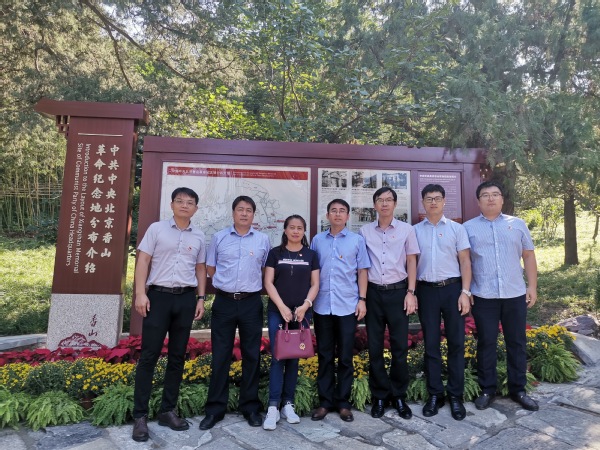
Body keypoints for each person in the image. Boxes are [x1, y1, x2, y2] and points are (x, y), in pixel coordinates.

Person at [132, 187, 207, 442]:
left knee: (177, 356)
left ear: (196, 208)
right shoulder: (156, 229)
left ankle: (167, 410)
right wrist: (140, 294)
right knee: (149, 356)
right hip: (158, 297)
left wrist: (200, 298)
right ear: (172, 204)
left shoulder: (199, 235)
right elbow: (143, 261)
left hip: (185, 299)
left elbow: (199, 268)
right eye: (180, 201)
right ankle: (140, 416)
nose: (184, 205)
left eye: (190, 202)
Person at [463, 180, 539, 411]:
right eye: (485, 195)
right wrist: (466, 290)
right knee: (486, 342)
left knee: (516, 342)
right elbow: (464, 262)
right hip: (483, 295)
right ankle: (487, 390)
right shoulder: (468, 228)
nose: (491, 198)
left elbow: (528, 256)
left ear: (502, 199)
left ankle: (519, 390)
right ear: (478, 201)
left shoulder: (518, 224)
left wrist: (532, 286)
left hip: (514, 293)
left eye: (495, 194)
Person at [199, 196, 271, 430]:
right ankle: (215, 409)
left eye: (249, 210)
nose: (244, 213)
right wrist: (226, 283)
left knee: (252, 355)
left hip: (251, 302)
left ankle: (250, 407)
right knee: (220, 355)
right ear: (233, 213)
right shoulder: (219, 237)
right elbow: (211, 267)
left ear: (253, 215)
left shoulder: (262, 240)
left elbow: (264, 269)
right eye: (240, 209)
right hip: (224, 302)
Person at [359, 187, 419, 420]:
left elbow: (411, 261)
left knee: (399, 347)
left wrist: (411, 292)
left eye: (388, 200)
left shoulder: (407, 230)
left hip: (398, 293)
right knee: (374, 347)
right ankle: (380, 396)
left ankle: (399, 395)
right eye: (380, 200)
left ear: (395, 204)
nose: (384, 204)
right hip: (374, 294)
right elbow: (363, 267)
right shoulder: (364, 231)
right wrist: (362, 298)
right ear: (374, 205)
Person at [414, 184, 472, 421]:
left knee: (456, 343)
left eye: (437, 198)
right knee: (431, 344)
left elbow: (465, 262)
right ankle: (435, 394)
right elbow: (411, 263)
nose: (433, 202)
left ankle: (456, 396)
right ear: (423, 203)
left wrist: (465, 292)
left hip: (452, 290)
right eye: (429, 199)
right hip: (426, 291)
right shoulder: (415, 231)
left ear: (444, 201)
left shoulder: (457, 229)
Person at [310, 199, 370, 422]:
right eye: (333, 210)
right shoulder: (317, 240)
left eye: (342, 211)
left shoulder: (356, 240)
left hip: (347, 305)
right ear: (327, 216)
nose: (337, 214)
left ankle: (343, 403)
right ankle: (325, 402)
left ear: (347, 216)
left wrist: (362, 299)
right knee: (325, 355)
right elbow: (312, 271)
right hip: (322, 306)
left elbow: (362, 272)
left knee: (345, 356)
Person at [262, 215, 320, 430]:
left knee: (294, 358)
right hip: (279, 312)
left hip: (302, 313)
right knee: (278, 357)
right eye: (292, 227)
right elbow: (268, 282)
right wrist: (282, 307)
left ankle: (288, 404)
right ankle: (273, 406)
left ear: (304, 231)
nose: (296, 231)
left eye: (300, 228)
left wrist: (305, 306)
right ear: (285, 230)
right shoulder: (275, 253)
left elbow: (315, 284)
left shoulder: (311, 255)